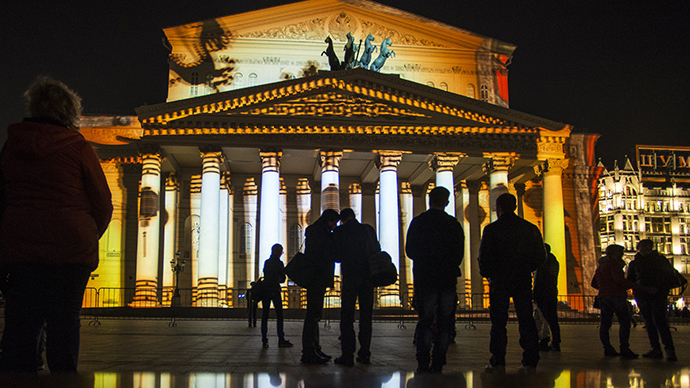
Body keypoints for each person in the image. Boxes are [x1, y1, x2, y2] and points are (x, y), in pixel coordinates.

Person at [0, 76, 113, 372]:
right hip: (70, 251)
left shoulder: (12, 145)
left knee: (22, 325)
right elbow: (102, 203)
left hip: (22, 249)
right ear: (69, 111)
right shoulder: (78, 147)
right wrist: (87, 236)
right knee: (64, 324)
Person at [478, 193, 545, 374]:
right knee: (526, 319)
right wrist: (527, 268)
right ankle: (530, 361)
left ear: (498, 208)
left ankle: (498, 361)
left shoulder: (492, 230)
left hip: (499, 280)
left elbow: (483, 257)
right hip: (522, 279)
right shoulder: (529, 228)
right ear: (514, 207)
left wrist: (489, 275)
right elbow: (540, 256)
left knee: (498, 322)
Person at [405, 187, 464, 373]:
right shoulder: (453, 224)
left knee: (425, 320)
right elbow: (459, 254)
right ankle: (438, 361)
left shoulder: (419, 222)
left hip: (425, 278)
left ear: (429, 200)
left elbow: (410, 251)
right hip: (447, 280)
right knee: (445, 322)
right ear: (446, 202)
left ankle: (423, 360)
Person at [333, 208, 380, 366]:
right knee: (366, 316)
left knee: (347, 316)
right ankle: (365, 353)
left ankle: (347, 354)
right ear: (354, 216)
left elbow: (337, 256)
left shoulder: (340, 231)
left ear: (342, 219)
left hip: (351, 277)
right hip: (368, 277)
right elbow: (377, 250)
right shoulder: (367, 230)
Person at [591, 244, 652, 358]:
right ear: (615, 254)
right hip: (616, 296)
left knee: (605, 324)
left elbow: (594, 283)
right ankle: (624, 348)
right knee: (624, 322)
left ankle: (607, 348)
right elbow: (620, 281)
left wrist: (604, 287)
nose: (622, 255)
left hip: (603, 298)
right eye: (620, 252)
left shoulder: (601, 266)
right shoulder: (614, 265)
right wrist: (640, 287)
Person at [626, 239, 677, 361]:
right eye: (643, 246)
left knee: (660, 322)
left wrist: (658, 288)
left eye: (648, 246)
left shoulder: (659, 260)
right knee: (649, 323)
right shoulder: (635, 263)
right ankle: (655, 348)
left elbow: (669, 277)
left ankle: (669, 350)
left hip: (657, 294)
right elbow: (631, 280)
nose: (645, 248)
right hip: (643, 295)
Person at [300, 209, 339, 364]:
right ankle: (309, 351)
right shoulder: (319, 232)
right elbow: (322, 255)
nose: (334, 225)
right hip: (316, 278)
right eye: (333, 222)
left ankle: (315, 348)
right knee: (312, 315)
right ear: (328, 220)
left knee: (315, 315)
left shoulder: (318, 231)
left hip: (317, 279)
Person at [260, 244, 293, 349]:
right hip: (275, 290)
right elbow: (283, 279)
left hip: (265, 290)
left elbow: (265, 275)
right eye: (281, 251)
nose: (281, 253)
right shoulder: (279, 263)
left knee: (265, 315)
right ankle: (281, 339)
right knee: (279, 315)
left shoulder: (267, 262)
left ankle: (264, 340)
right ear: (278, 252)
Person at [533, 243, 561, 352]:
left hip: (543, 294)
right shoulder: (553, 262)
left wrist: (535, 294)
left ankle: (546, 340)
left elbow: (539, 281)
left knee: (544, 319)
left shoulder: (543, 264)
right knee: (551, 319)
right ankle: (554, 341)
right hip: (551, 293)